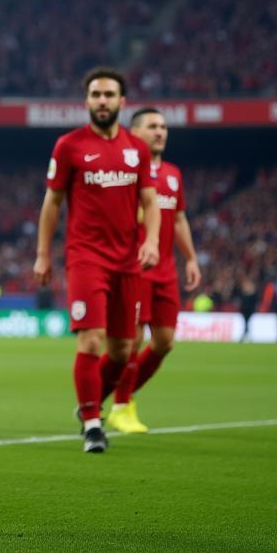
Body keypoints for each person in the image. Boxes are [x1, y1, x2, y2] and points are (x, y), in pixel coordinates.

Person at [33, 67, 160, 453]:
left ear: (122, 102)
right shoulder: (69, 145)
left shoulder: (137, 149)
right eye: (95, 95)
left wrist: (152, 239)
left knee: (123, 351)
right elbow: (52, 202)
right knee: (90, 340)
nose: (101, 101)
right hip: (86, 257)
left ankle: (89, 403)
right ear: (86, 101)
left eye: (108, 95)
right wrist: (43, 253)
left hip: (127, 261)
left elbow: (149, 200)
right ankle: (92, 422)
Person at [107, 108, 201, 434]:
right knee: (130, 341)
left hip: (166, 270)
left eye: (163, 127)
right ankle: (120, 406)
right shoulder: (122, 170)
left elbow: (178, 219)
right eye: (153, 126)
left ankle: (122, 394)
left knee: (164, 342)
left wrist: (190, 258)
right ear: (135, 133)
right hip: (134, 267)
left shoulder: (173, 174)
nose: (160, 132)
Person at [238, 276, 259, 341]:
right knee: (246, 323)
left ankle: (245, 334)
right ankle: (246, 334)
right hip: (245, 310)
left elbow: (254, 303)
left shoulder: (252, 294)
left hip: (249, 310)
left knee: (246, 323)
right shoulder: (244, 294)